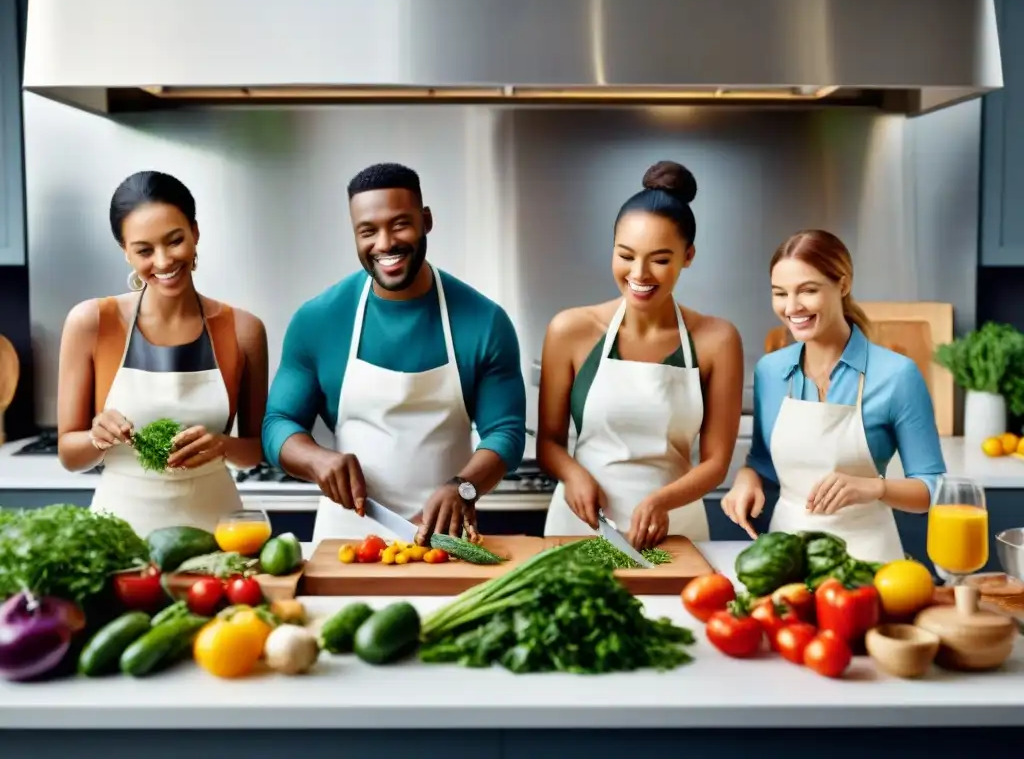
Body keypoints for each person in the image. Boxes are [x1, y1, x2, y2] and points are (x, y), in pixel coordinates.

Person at [262, 162, 526, 545]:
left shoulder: (484, 321)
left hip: (445, 538)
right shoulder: (318, 320)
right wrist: (318, 459)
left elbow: (506, 432)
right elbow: (278, 423)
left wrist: (464, 487)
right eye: (368, 231)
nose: (384, 244)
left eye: (400, 224)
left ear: (426, 221)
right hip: (345, 538)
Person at [537, 161, 744, 550]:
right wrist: (574, 476)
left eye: (661, 259)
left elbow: (716, 463)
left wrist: (661, 500)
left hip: (676, 530)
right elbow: (548, 442)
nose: (640, 273)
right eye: (626, 255)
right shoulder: (570, 330)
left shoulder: (718, 340)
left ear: (689, 255)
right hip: (581, 524)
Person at [56, 171, 269, 536]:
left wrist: (222, 446)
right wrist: (96, 436)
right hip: (119, 534)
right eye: (144, 250)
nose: (164, 260)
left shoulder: (245, 330)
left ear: (195, 233)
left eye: (175, 241)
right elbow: (69, 455)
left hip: (218, 536)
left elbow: (254, 451)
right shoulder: (90, 323)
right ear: (125, 252)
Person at [722, 229, 946, 563]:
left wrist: (876, 487)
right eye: (780, 293)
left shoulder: (897, 376)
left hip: (867, 561)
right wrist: (745, 481)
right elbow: (761, 462)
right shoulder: (770, 371)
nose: (792, 307)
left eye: (808, 290)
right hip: (786, 558)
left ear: (843, 285)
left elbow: (933, 490)